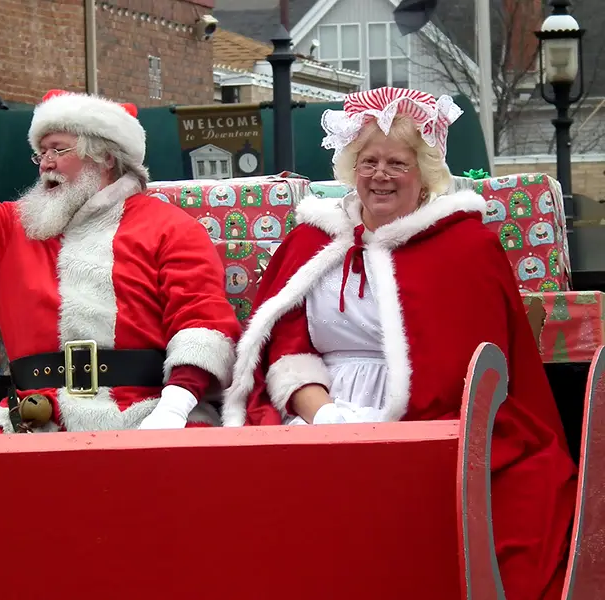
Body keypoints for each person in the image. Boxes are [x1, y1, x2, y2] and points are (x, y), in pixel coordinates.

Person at [222, 88, 577, 600]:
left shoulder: (465, 246)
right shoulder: (311, 241)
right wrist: (324, 416)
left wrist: (378, 430)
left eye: (397, 163)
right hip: (317, 410)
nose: (380, 175)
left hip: (432, 422)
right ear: (351, 166)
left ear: (425, 172)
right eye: (368, 161)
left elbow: (467, 369)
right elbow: (284, 347)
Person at [0, 72, 240, 434]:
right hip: (34, 421)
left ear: (104, 156)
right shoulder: (14, 228)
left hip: (144, 413)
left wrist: (173, 408)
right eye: (41, 153)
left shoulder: (169, 227)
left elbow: (201, 323)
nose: (45, 165)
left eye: (57, 150)